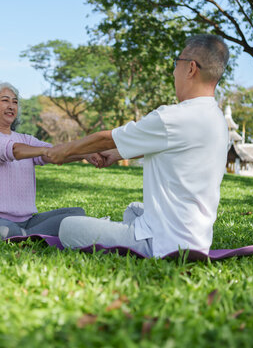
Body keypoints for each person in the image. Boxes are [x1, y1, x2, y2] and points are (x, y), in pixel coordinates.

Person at [46, 34, 230, 258]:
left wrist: (63, 150)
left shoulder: (173, 117)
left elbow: (108, 138)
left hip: (162, 242)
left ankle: (124, 239)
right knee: (134, 208)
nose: (173, 72)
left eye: (176, 63)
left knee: (68, 227)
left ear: (191, 68)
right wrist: (115, 155)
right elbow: (171, 146)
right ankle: (120, 233)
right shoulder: (216, 118)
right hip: (195, 237)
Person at [0, 82, 100, 241]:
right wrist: (45, 150)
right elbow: (13, 150)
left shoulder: (25, 139)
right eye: (5, 100)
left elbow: (55, 154)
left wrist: (84, 154)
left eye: (15, 102)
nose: (11, 106)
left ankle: (28, 234)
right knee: (7, 231)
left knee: (76, 213)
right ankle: (32, 234)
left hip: (28, 220)